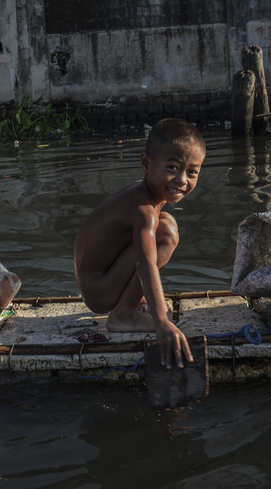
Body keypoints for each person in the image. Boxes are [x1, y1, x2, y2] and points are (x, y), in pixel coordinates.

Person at [73, 118, 205, 369]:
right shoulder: (143, 209)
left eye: (192, 172)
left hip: (102, 281)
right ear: (146, 163)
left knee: (166, 223)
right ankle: (124, 314)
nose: (181, 180)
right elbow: (145, 263)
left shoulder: (149, 198)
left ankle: (133, 302)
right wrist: (163, 320)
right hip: (98, 290)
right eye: (173, 168)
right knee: (166, 234)